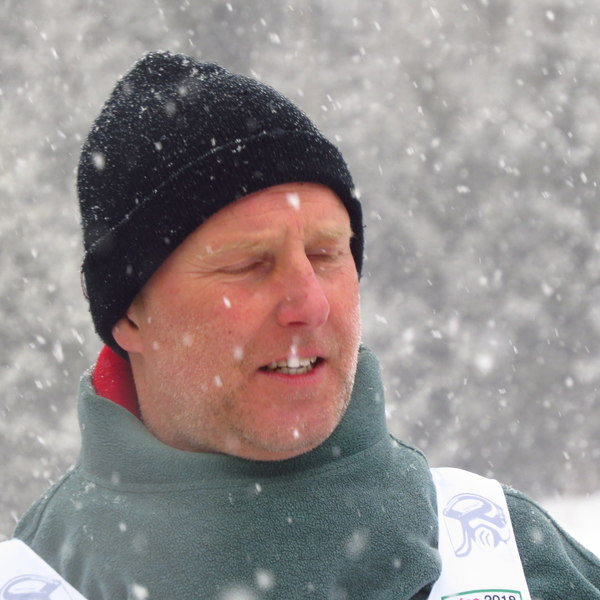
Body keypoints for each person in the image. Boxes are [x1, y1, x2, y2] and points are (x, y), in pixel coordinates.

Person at [8, 51, 600, 599]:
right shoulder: (33, 581)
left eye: (325, 254)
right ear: (129, 314)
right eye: (248, 264)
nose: (309, 304)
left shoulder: (511, 562)